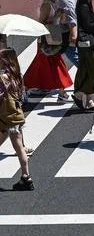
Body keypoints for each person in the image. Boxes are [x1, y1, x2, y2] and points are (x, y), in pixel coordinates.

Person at [0, 48, 33, 190]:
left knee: (19, 148)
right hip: (16, 116)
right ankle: (26, 178)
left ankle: (26, 178)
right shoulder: (17, 75)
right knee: (20, 148)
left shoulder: (2, 77)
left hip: (6, 116)